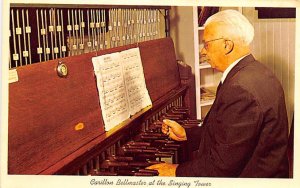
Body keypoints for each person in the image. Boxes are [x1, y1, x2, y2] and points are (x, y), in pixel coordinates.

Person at [146, 9, 289, 177]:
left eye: (206, 44)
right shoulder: (252, 71)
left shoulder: (241, 89)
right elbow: (229, 133)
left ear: (227, 45)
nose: (202, 52)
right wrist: (187, 135)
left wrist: (175, 171)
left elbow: (221, 167)